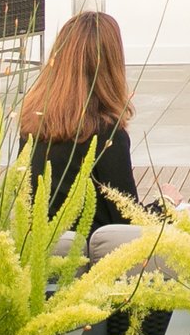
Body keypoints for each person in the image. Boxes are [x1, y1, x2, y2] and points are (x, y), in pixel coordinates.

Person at [16, 11, 160, 229]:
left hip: (39, 251)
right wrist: (167, 205)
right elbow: (129, 223)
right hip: (91, 255)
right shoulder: (107, 134)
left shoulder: (33, 122)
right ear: (111, 65)